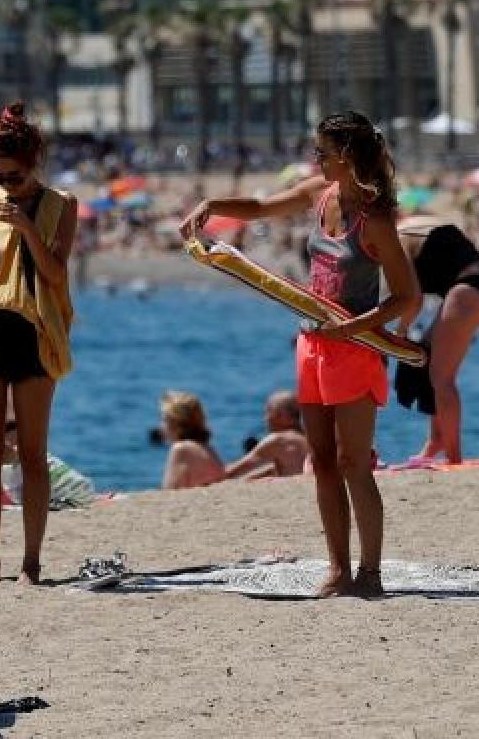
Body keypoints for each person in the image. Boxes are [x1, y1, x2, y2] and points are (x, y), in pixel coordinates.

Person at [180, 111, 421, 598]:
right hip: (311, 346)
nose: (316, 159)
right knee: (323, 461)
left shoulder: (374, 219)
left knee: (355, 463)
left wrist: (356, 326)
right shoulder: (319, 193)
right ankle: (338, 569)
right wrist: (213, 205)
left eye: (322, 152)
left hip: (354, 351)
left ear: (346, 156)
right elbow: (262, 207)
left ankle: (370, 573)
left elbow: (406, 297)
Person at [0, 102, 78, 585]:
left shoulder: (60, 205)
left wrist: (25, 226)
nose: (5, 185)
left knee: (32, 452)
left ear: (34, 166)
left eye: (14, 176)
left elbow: (55, 275)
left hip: (36, 330)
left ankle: (31, 560)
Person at [392, 216, 479, 465]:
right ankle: (436, 441)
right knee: (428, 362)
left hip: (466, 292)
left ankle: (453, 457)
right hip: (478, 286)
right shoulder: (411, 225)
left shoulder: (397, 239)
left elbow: (413, 299)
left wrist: (400, 333)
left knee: (442, 379)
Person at [224, 390, 310, 479]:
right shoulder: (308, 438)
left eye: (268, 412)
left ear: (282, 416)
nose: (265, 419)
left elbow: (231, 472)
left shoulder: (279, 440)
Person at [158, 391, 226, 489]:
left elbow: (170, 491)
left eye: (164, 420)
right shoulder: (207, 448)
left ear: (176, 423)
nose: (160, 425)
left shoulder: (181, 449)